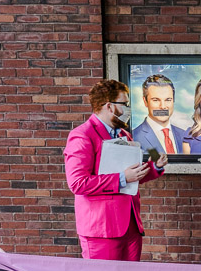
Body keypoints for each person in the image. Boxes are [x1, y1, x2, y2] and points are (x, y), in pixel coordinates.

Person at [64, 79, 168, 261]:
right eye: (125, 104)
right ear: (109, 107)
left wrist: (155, 167)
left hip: (131, 227)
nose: (128, 109)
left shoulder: (124, 135)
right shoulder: (82, 135)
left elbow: (132, 176)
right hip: (101, 230)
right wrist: (122, 178)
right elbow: (77, 184)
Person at [132, 74, 185, 155]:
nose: (163, 106)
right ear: (145, 101)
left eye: (168, 100)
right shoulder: (134, 138)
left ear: (173, 100)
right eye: (156, 100)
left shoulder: (184, 135)